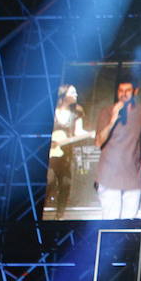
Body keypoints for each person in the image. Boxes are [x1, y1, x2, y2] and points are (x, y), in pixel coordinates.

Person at [93, 77, 141, 219]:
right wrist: (113, 120)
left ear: (135, 91)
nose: (123, 94)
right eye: (120, 91)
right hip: (109, 175)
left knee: (129, 221)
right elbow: (98, 142)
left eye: (127, 90)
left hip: (133, 174)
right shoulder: (106, 111)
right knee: (111, 220)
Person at [46, 84, 93, 217]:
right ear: (63, 95)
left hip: (65, 156)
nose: (76, 95)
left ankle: (59, 216)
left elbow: (78, 131)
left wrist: (91, 134)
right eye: (72, 92)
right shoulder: (51, 110)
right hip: (50, 157)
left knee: (65, 184)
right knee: (49, 181)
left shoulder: (77, 111)